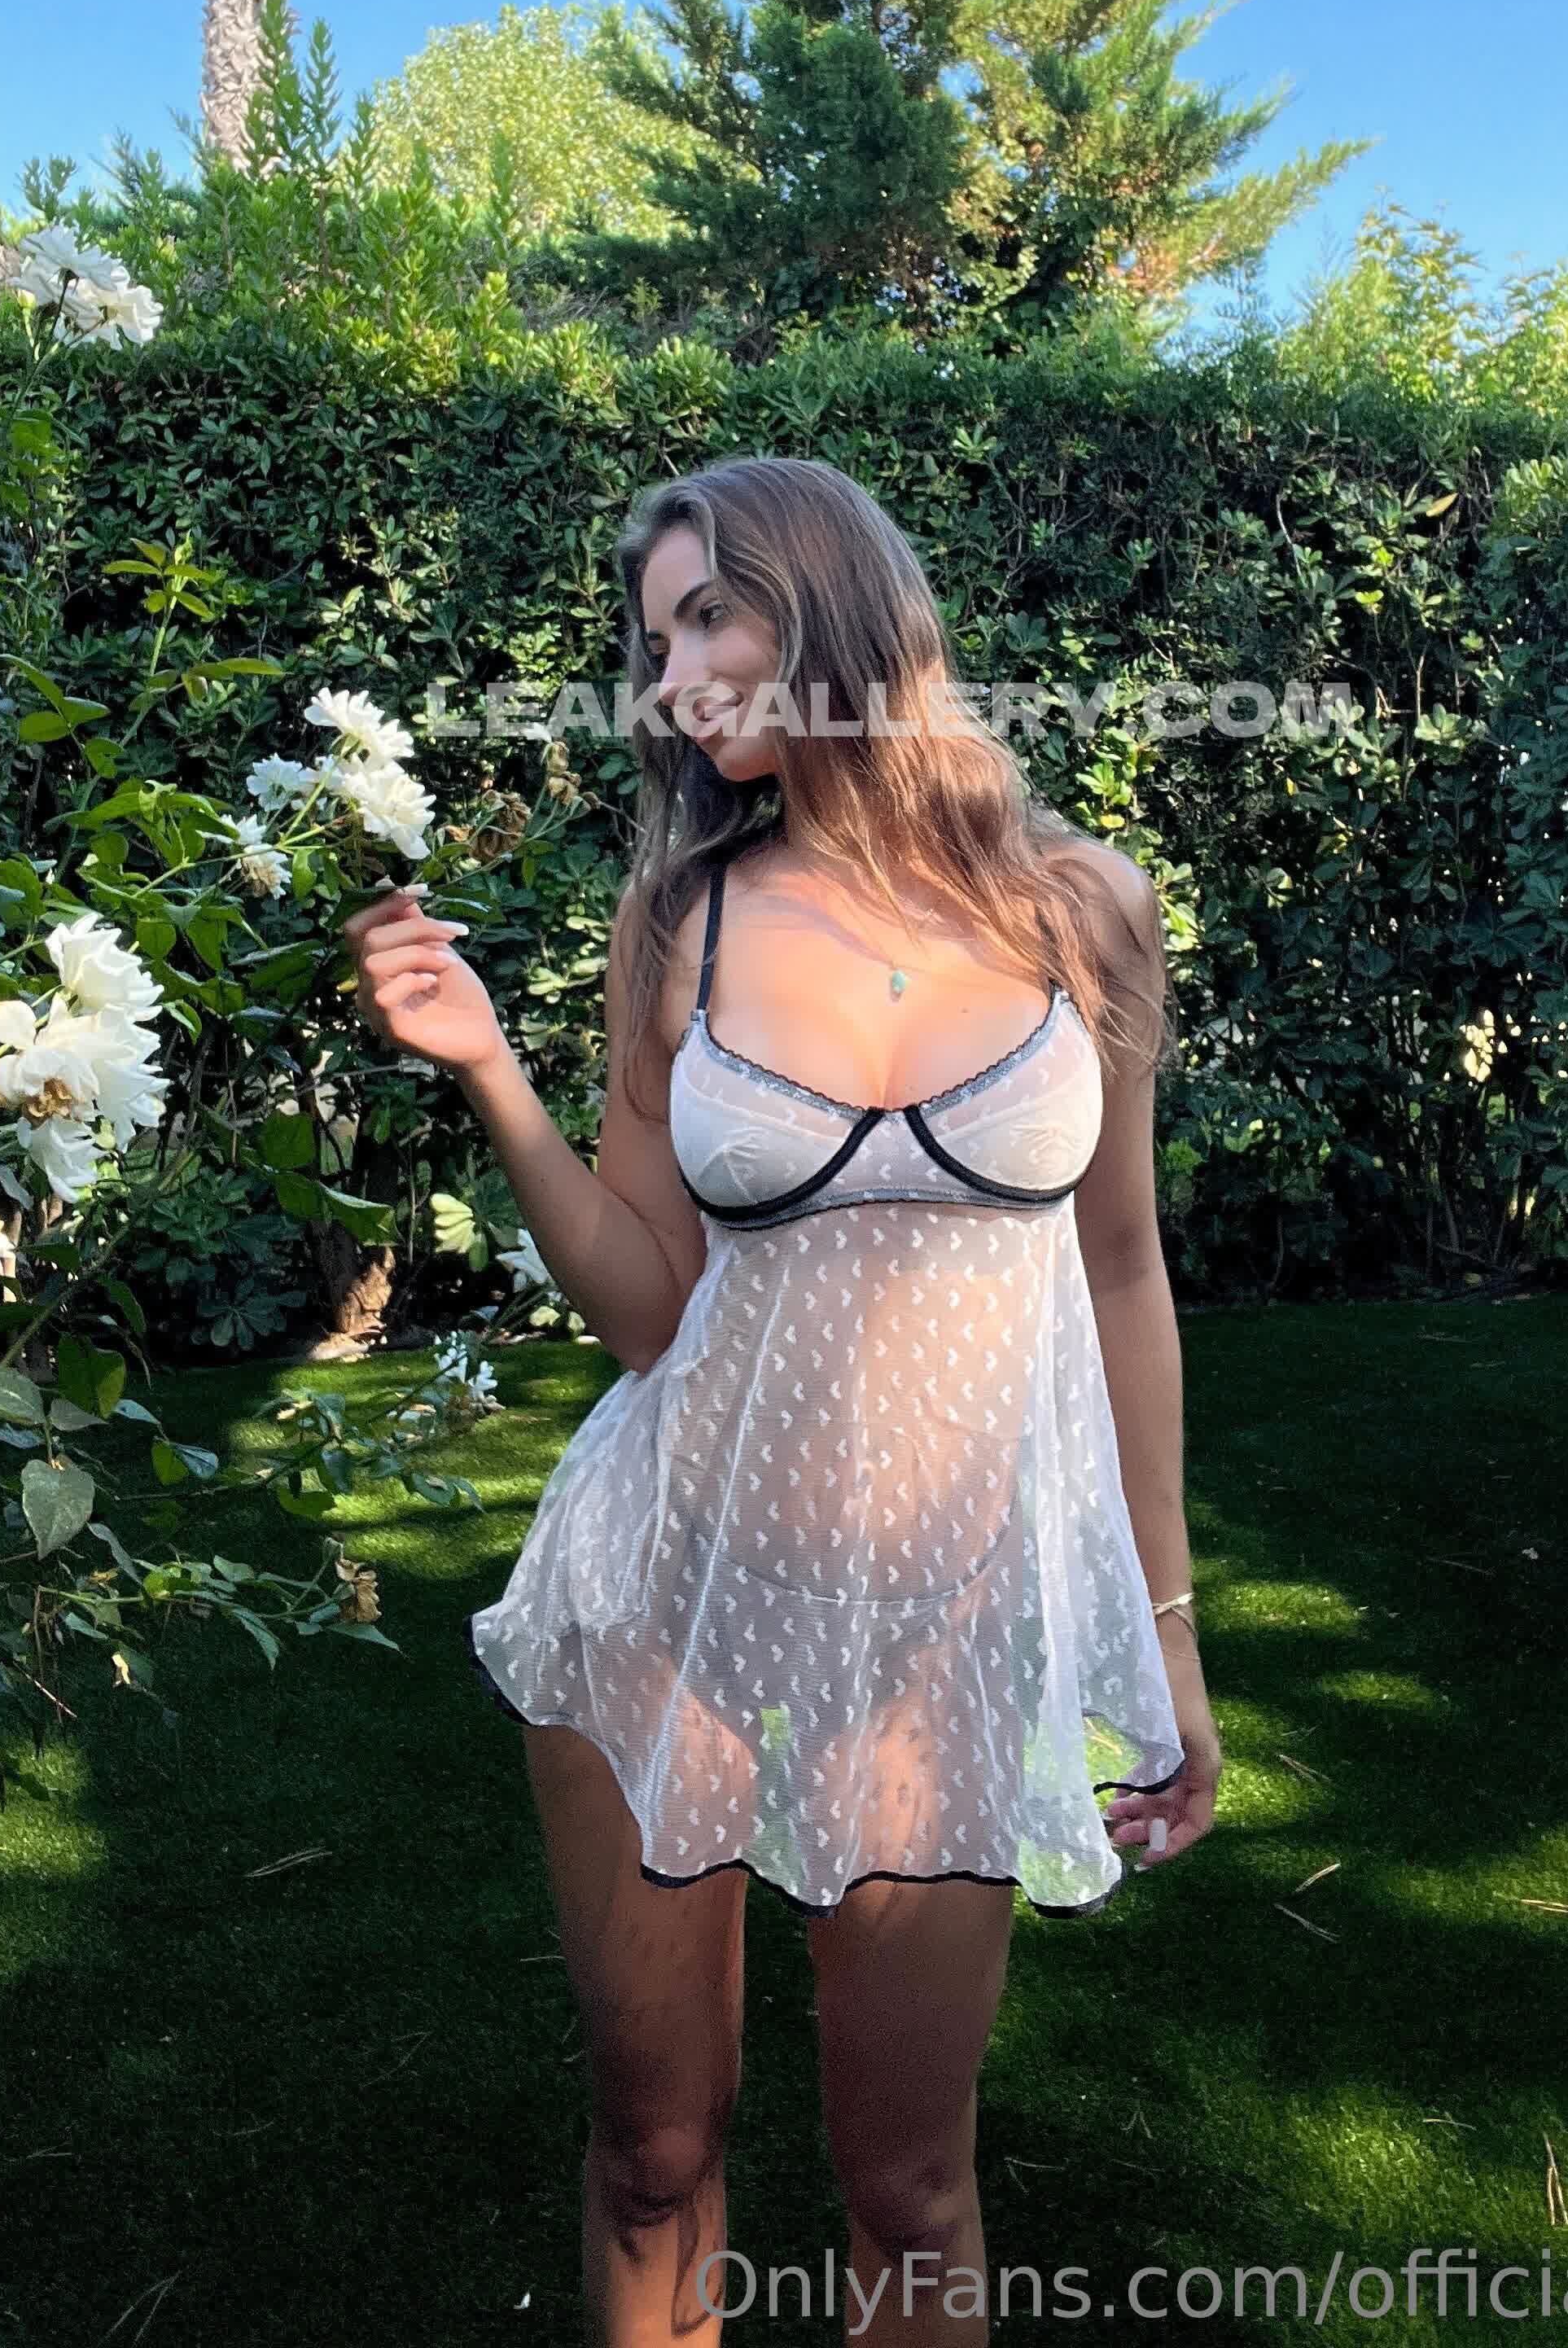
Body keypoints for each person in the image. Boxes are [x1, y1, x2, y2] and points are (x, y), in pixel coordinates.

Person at [343, 454, 1220, 2346]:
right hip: (663, 1596)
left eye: (705, 621)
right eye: (652, 644)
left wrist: (1166, 1636)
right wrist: (490, 1073)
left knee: (912, 2192)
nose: (669, 681)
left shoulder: (1083, 914)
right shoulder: (685, 920)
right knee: (656, 2154)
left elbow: (1122, 1273)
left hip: (938, 1636)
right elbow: (647, 1312)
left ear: (827, 605)